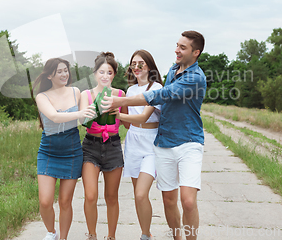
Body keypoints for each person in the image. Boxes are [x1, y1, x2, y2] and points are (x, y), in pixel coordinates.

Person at [102, 31, 207, 240]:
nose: (177, 50)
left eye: (183, 47)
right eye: (177, 45)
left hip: (189, 142)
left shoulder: (195, 77)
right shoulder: (173, 70)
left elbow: (162, 95)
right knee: (168, 200)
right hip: (164, 143)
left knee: (187, 200)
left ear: (196, 52)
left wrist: (121, 103)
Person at [33, 58, 97, 240]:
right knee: (45, 201)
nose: (64, 74)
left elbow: (85, 119)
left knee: (65, 201)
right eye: (59, 71)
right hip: (48, 151)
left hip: (72, 152)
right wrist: (79, 114)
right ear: (49, 75)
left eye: (66, 70)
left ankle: (63, 238)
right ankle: (51, 232)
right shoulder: (42, 96)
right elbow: (53, 117)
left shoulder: (76, 92)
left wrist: (98, 109)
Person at [111, 50, 163, 240]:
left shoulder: (156, 88)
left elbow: (142, 117)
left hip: (151, 143)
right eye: (134, 64)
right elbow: (127, 124)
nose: (137, 67)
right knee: (137, 194)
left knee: (141, 194)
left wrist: (118, 114)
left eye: (141, 63)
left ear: (149, 66)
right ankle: (145, 233)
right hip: (133, 142)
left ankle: (145, 234)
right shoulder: (130, 91)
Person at [80, 52, 127, 240]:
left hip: (113, 146)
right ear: (95, 73)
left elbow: (127, 123)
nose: (105, 76)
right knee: (91, 195)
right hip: (90, 146)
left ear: (114, 74)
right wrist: (93, 111)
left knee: (111, 197)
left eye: (109, 72)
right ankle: (92, 235)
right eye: (101, 72)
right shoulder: (86, 94)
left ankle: (111, 236)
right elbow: (82, 118)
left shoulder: (120, 95)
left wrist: (118, 114)